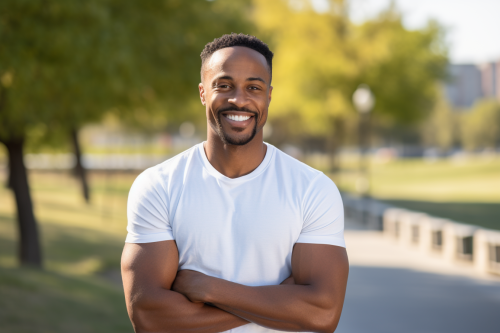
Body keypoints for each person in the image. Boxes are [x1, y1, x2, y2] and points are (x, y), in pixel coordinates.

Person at [121, 33, 349, 333]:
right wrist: (281, 302)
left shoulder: (312, 190)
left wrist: (211, 289)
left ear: (269, 95)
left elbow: (323, 314)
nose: (239, 99)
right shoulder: (158, 186)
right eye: (224, 86)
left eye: (253, 87)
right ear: (203, 93)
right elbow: (149, 317)